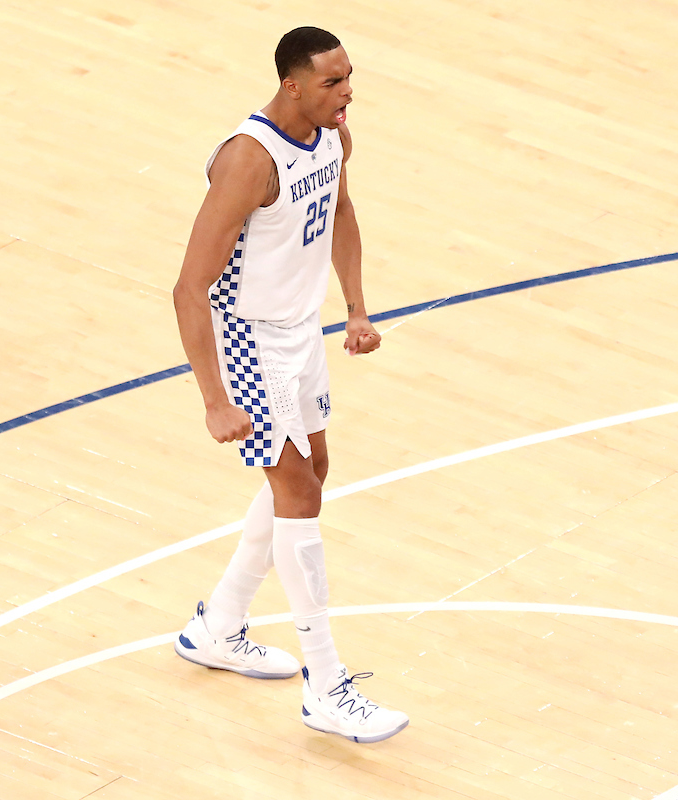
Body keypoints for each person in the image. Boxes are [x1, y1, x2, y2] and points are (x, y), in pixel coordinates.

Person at [171, 26, 408, 744]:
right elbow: (188, 288)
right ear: (292, 85)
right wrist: (214, 400)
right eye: (333, 82)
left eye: (349, 77)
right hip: (249, 338)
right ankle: (326, 685)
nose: (347, 93)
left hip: (301, 330)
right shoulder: (250, 159)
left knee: (311, 475)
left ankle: (219, 625)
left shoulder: (333, 135)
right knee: (299, 492)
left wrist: (356, 308)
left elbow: (340, 213)